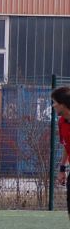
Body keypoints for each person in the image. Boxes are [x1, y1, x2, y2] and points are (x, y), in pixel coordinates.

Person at [51, 86, 70, 220]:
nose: (53, 105)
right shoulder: (61, 122)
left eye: (55, 102)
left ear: (63, 104)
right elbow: (66, 146)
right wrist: (62, 168)